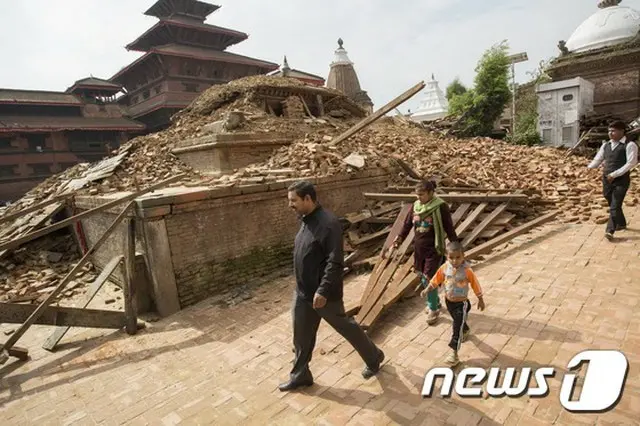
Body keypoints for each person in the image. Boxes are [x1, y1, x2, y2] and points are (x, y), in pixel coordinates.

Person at [279, 181, 385, 392]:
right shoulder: (305, 219)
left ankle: (374, 357)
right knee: (300, 335)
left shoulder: (328, 224)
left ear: (308, 199)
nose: (290, 205)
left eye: (294, 201)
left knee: (346, 327)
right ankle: (300, 375)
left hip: (324, 295)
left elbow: (335, 261)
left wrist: (323, 290)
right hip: (302, 293)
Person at [390, 180, 459, 325]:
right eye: (417, 195)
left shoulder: (440, 207)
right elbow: (407, 225)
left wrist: (455, 246)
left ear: (431, 193)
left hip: (434, 249)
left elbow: (449, 228)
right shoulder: (416, 207)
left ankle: (433, 309)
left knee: (429, 279)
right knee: (422, 277)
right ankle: (435, 301)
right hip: (419, 249)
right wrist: (398, 240)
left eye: (421, 195)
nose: (418, 198)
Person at [420, 241, 485, 366]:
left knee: (456, 328)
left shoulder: (467, 271)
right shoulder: (445, 268)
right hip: (449, 302)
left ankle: (454, 353)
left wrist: (480, 298)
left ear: (463, 256)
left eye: (458, 257)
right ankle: (465, 329)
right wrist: (427, 289)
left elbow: (475, 284)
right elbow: (436, 279)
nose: (455, 261)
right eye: (451, 257)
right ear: (446, 256)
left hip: (462, 304)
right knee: (458, 320)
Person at [588, 120, 638, 241]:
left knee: (615, 205)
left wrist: (615, 174)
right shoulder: (606, 145)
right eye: (609, 130)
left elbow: (631, 163)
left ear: (622, 131)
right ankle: (621, 223)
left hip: (621, 180)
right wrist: (590, 167)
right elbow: (598, 158)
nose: (610, 133)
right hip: (607, 179)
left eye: (613, 130)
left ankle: (610, 230)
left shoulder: (630, 145)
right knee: (610, 200)